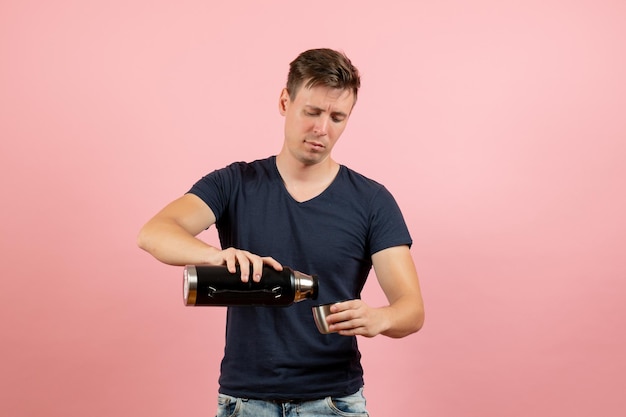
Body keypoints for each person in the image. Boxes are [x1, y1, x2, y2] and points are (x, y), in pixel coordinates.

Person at [137, 48, 424, 417]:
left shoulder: (372, 201)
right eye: (312, 112)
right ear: (285, 101)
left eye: (338, 117)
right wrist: (214, 255)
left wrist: (381, 318)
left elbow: (411, 309)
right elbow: (154, 233)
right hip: (245, 401)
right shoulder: (235, 183)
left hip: (334, 402)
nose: (322, 129)